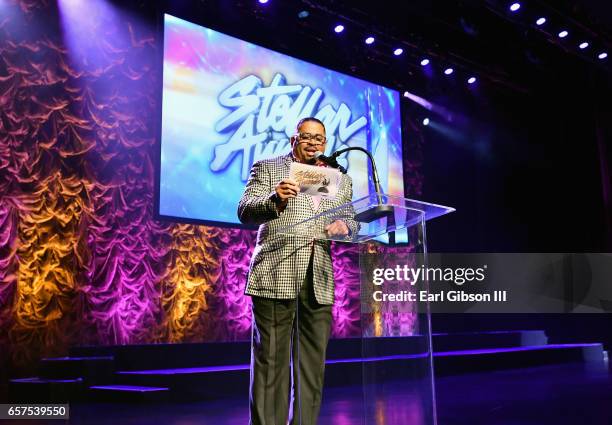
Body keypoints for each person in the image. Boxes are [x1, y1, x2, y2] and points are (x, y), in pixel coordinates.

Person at [238, 117, 357, 425]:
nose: (314, 143)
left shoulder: (338, 178)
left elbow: (352, 219)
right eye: (307, 137)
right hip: (275, 272)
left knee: (312, 366)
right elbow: (245, 210)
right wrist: (275, 198)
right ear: (293, 140)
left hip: (318, 276)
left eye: (320, 139)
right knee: (271, 362)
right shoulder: (268, 168)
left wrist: (346, 226)